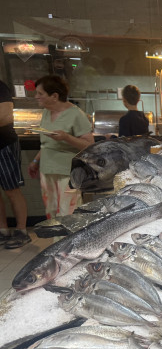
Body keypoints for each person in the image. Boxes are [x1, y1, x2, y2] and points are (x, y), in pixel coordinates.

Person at [28, 75, 94, 219]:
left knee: (68, 211)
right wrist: (35, 161)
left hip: (67, 170)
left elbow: (90, 145)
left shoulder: (76, 114)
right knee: (50, 209)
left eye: (40, 93)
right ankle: (54, 234)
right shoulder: (46, 112)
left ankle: (70, 235)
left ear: (54, 96)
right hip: (47, 169)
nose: (36, 97)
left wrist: (66, 137)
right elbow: (47, 143)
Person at [0, 80, 30, 248]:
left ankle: (21, 231)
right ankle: (3, 230)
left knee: (12, 190)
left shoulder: (0, 87)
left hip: (4, 145)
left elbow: (6, 116)